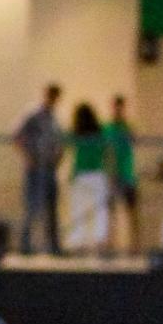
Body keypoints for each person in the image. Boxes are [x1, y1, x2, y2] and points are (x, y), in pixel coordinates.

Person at [13, 84, 65, 256]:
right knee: (33, 206)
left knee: (52, 207)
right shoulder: (34, 115)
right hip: (36, 168)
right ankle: (25, 245)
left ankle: (54, 245)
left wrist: (58, 156)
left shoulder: (54, 119)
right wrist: (29, 158)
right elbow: (17, 135)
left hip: (50, 168)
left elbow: (57, 141)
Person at [66, 103, 109, 255]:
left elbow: (63, 143)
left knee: (78, 208)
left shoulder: (76, 133)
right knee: (100, 209)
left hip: (81, 174)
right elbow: (106, 152)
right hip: (97, 173)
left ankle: (78, 240)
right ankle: (100, 239)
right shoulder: (100, 132)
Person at [103, 95, 140, 255]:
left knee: (132, 210)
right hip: (112, 174)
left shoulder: (128, 127)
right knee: (111, 211)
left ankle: (135, 245)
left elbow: (134, 141)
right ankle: (110, 243)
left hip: (127, 174)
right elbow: (106, 150)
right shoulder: (107, 128)